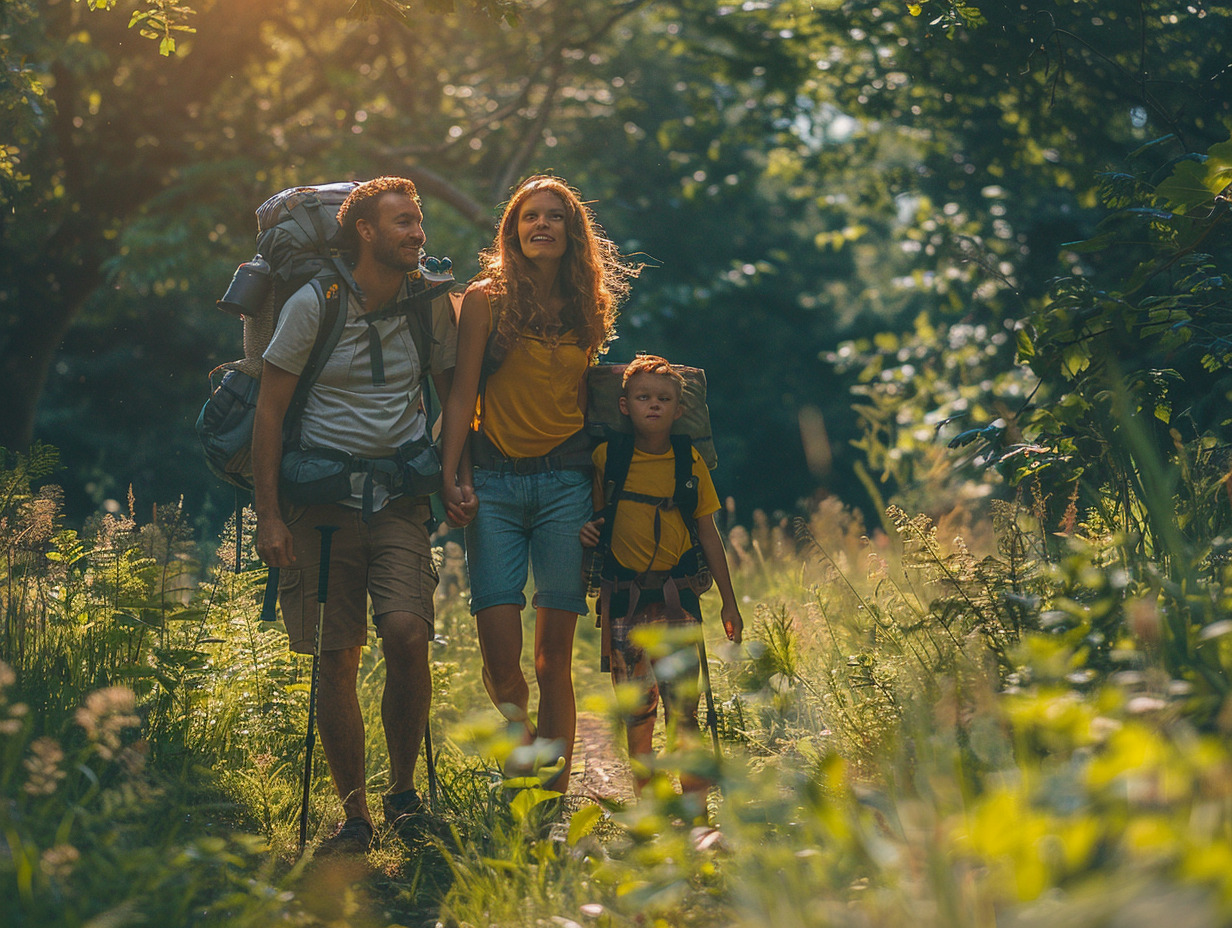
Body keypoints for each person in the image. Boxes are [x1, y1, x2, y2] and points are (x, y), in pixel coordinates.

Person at [252, 176, 465, 855]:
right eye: (401, 222)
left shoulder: (430, 304)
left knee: (407, 634)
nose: (416, 233)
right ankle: (357, 816)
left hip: (401, 499)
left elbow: (453, 391)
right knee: (334, 656)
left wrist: (452, 470)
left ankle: (404, 795)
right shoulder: (317, 303)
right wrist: (268, 517)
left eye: (418, 221)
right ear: (365, 231)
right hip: (319, 504)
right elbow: (270, 410)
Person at [439, 175, 637, 793]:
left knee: (555, 660)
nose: (541, 225)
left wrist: (605, 495)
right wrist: (452, 477)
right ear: (513, 230)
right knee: (502, 659)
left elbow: (588, 402)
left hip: (564, 489)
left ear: (573, 232)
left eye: (554, 217)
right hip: (493, 486)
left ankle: (549, 797)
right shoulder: (485, 300)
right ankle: (524, 758)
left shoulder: (586, 305)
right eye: (529, 217)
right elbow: (461, 394)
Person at [579, 355, 743, 813]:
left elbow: (709, 534)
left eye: (664, 399)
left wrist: (729, 604)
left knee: (685, 712)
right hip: (624, 603)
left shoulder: (690, 462)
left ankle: (695, 812)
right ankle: (650, 809)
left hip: (679, 603)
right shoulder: (606, 457)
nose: (654, 405)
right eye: (644, 397)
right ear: (625, 406)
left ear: (678, 410)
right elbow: (595, 517)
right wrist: (588, 531)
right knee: (637, 716)